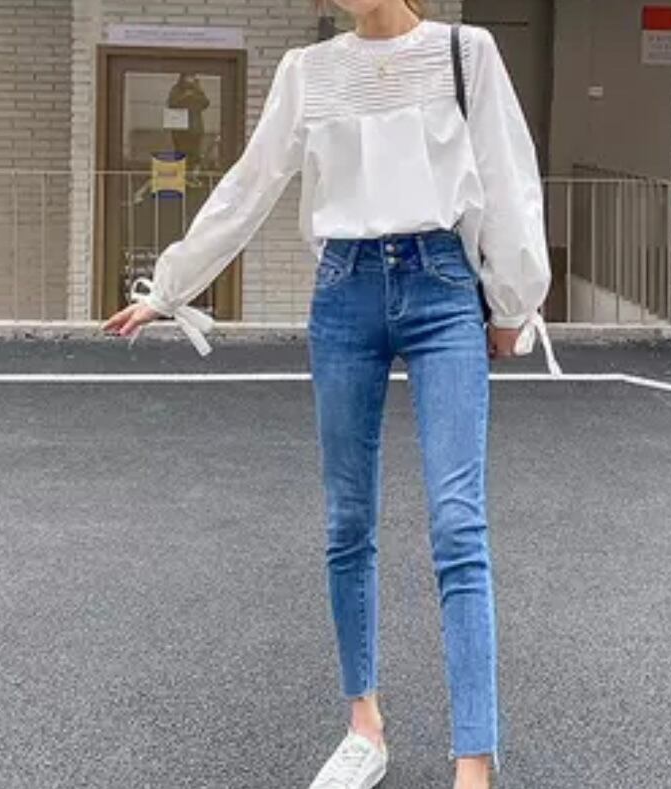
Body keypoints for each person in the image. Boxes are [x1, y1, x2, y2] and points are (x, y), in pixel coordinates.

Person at [102, 1, 552, 787]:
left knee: (457, 523)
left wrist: (513, 300)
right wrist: (171, 287)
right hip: (343, 291)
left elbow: (508, 178)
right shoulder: (306, 71)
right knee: (347, 519)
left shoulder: (465, 52)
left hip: (443, 286)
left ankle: (473, 761)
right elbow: (249, 183)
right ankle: (363, 725)